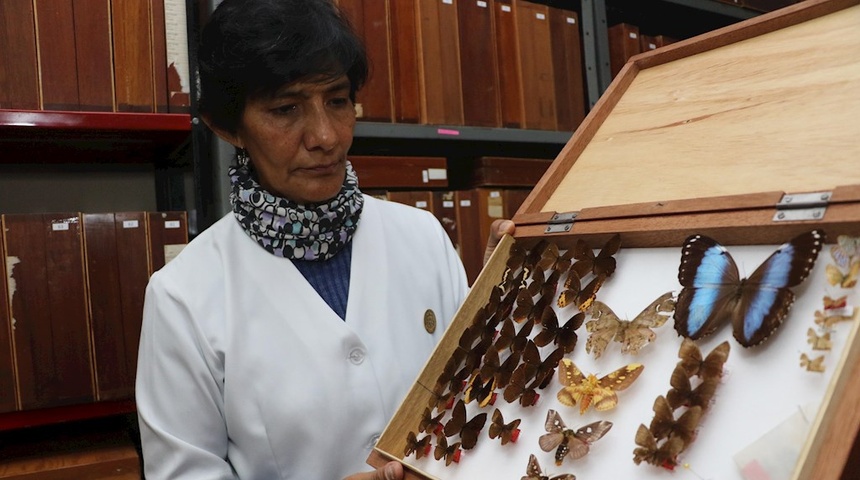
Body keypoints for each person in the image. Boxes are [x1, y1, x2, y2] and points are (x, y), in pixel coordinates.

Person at [134, 1, 515, 479]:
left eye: (337, 101)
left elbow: (476, 403)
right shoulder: (182, 297)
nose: (325, 136)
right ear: (227, 128)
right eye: (285, 109)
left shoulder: (423, 238)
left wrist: (503, 314)